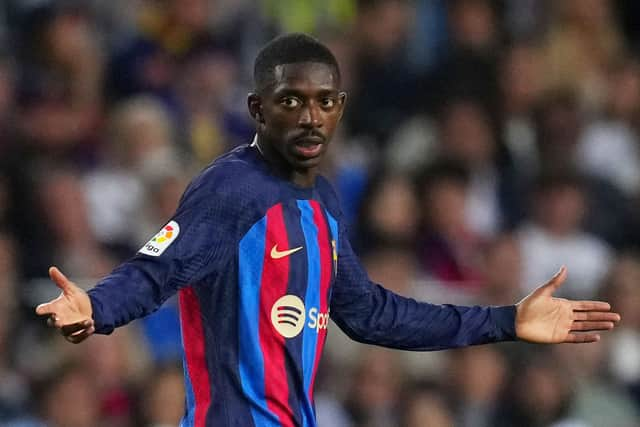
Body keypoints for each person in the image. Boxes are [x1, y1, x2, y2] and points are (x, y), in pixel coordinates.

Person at [35, 33, 620, 427]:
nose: (311, 116)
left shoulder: (325, 202)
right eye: (292, 100)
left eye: (325, 101)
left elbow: (371, 314)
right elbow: (156, 269)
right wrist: (96, 307)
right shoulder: (230, 190)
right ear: (258, 109)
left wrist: (506, 320)